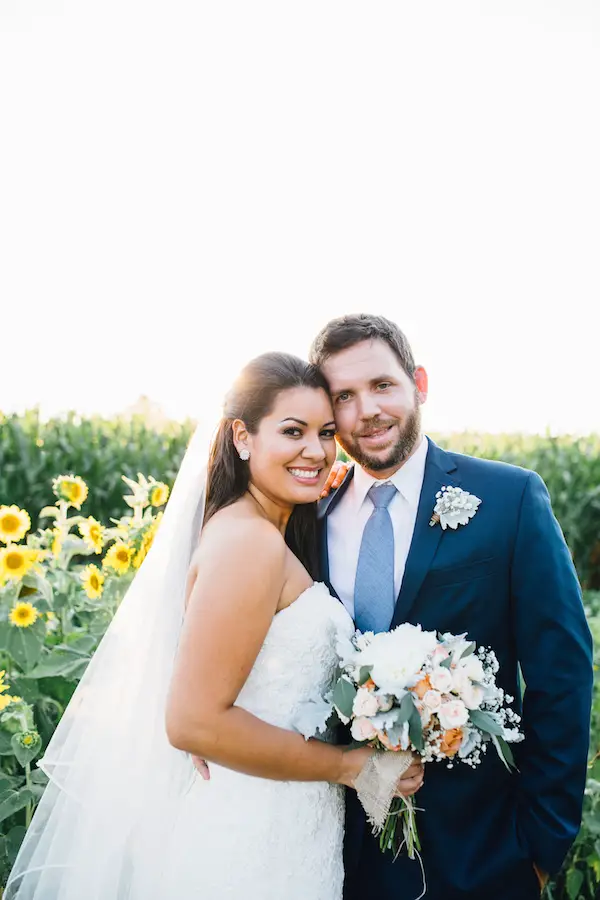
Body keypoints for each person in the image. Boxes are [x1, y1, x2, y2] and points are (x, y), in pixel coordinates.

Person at [5, 351, 422, 900]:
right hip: (250, 835)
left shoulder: (265, 531)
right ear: (243, 438)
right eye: (292, 431)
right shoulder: (249, 542)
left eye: (325, 432)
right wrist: (350, 765)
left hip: (287, 822)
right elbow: (194, 724)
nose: (316, 451)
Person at [309, 313, 594, 900]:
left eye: (382, 385)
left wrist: (540, 846)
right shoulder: (307, 516)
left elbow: (560, 676)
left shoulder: (509, 499)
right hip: (328, 856)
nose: (367, 411)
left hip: (479, 855)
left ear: (419, 384)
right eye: (345, 396)